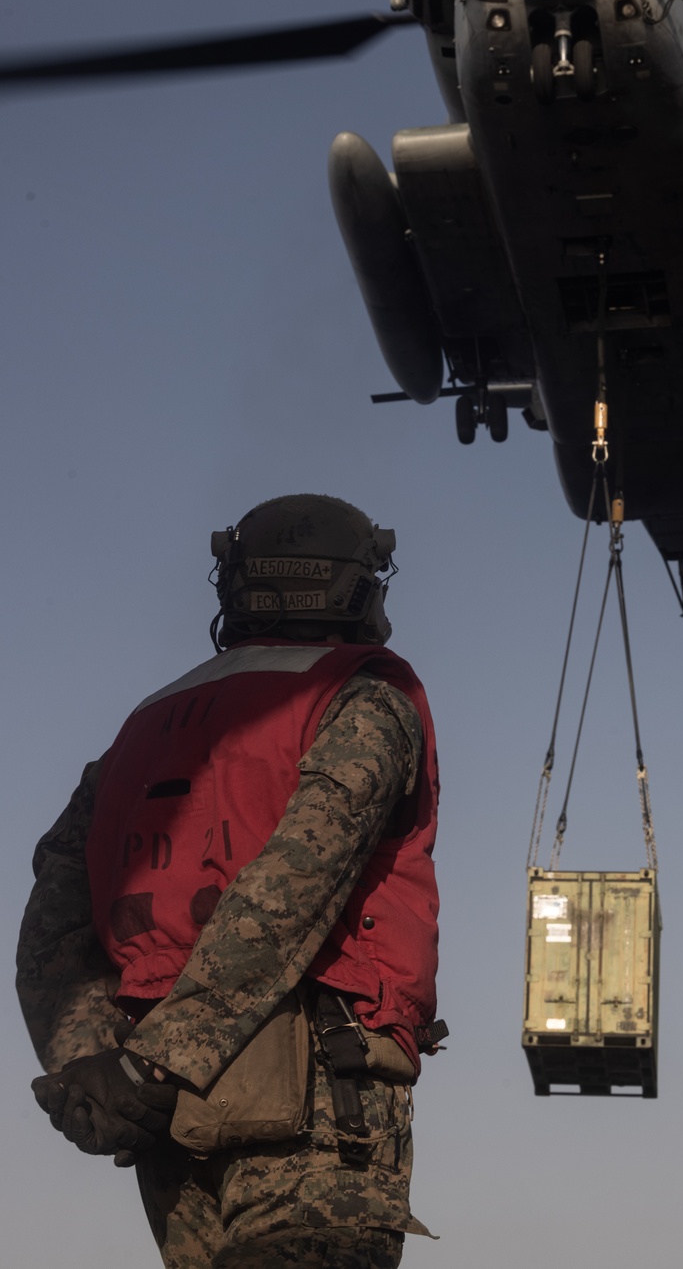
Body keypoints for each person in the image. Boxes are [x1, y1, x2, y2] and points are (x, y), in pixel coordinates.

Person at [17, 494, 444, 1269]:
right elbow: (288, 892)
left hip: (167, 1119)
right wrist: (158, 1061)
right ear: (357, 587)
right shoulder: (365, 700)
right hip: (313, 1100)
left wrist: (98, 1069)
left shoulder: (139, 733)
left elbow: (51, 927)